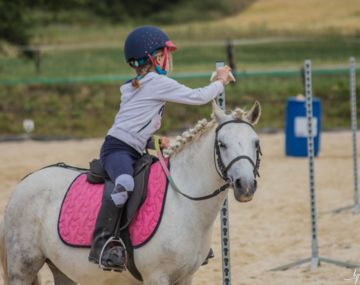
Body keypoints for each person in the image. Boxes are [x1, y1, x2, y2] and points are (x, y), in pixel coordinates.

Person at [88, 25, 234, 270]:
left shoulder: (143, 84)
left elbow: (133, 126)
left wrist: (152, 142)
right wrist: (220, 82)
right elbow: (198, 97)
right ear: (154, 58)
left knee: (162, 180)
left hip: (134, 148)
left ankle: (187, 242)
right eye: (166, 54)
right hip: (116, 150)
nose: (169, 60)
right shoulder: (155, 82)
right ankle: (101, 242)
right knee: (125, 184)